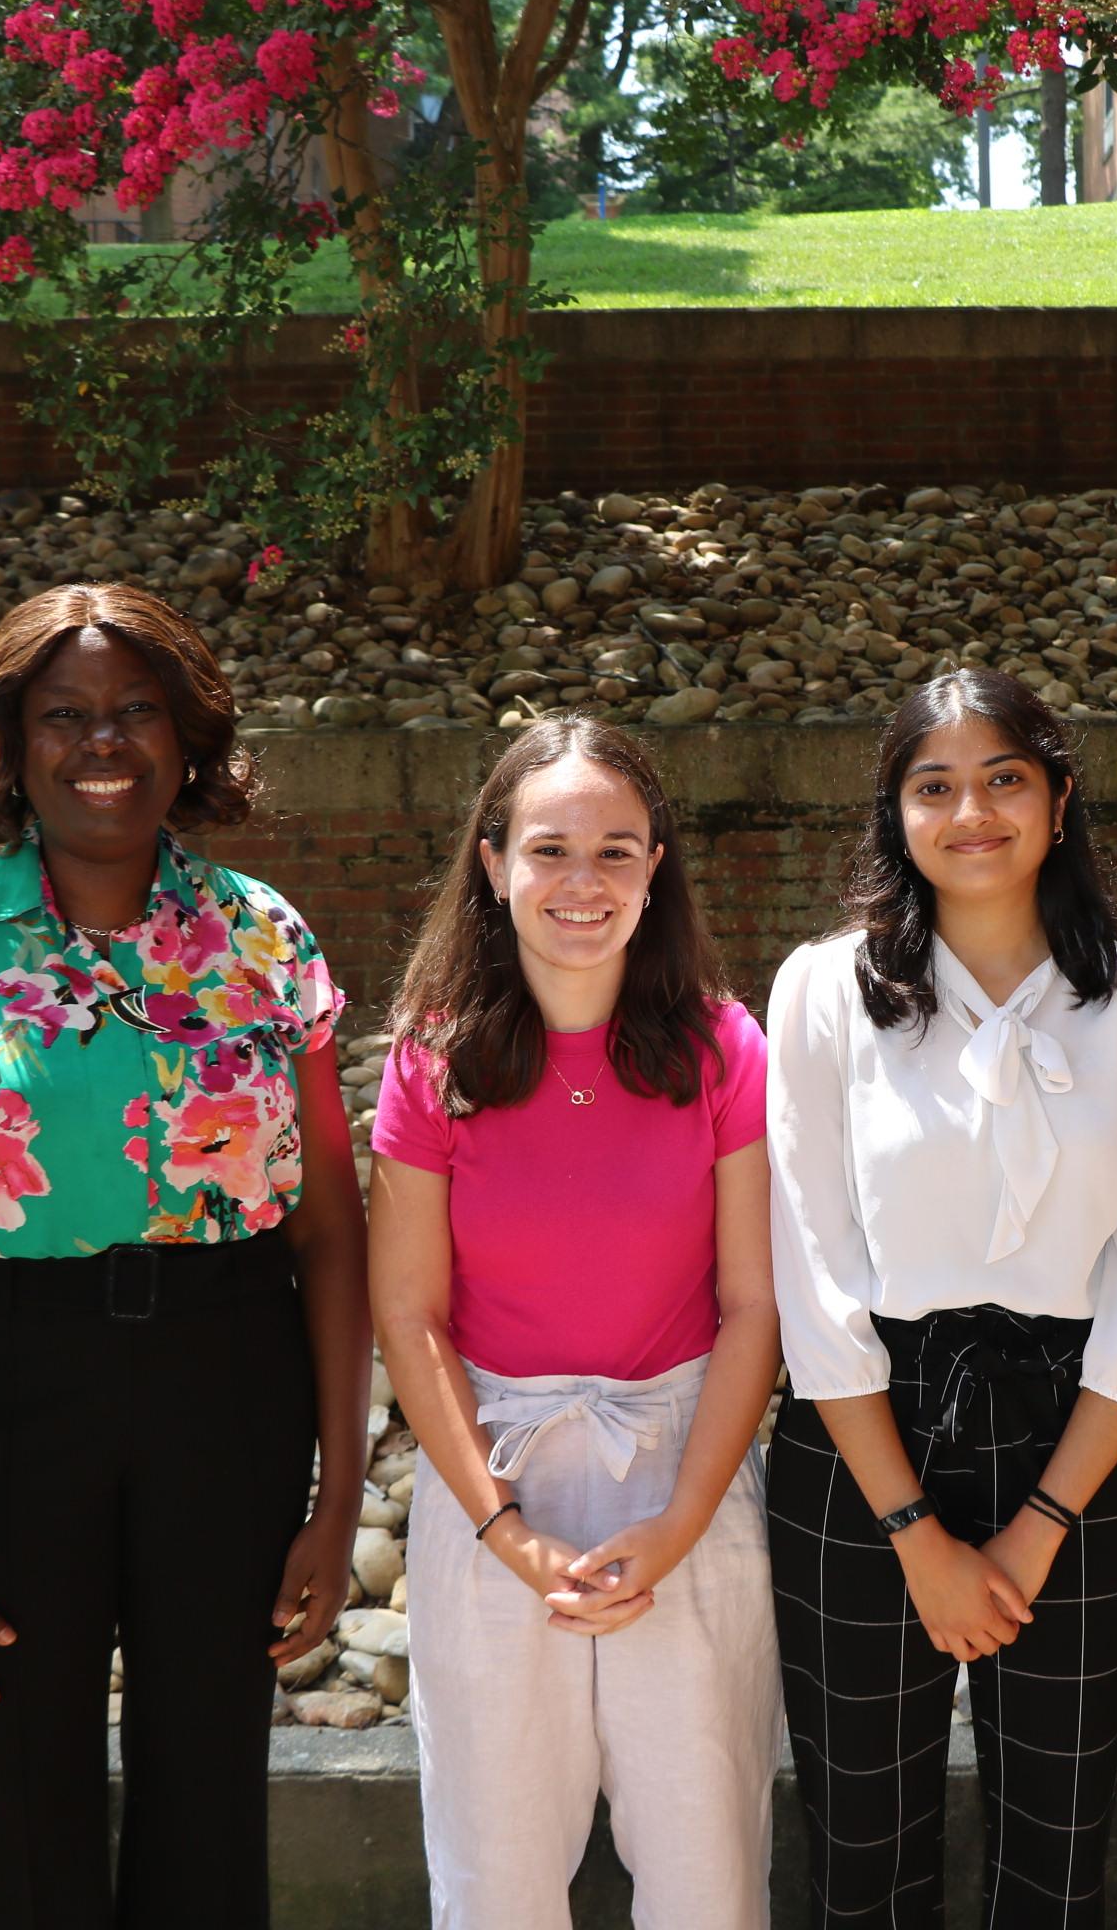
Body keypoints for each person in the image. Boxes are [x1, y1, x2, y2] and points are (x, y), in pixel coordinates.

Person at [0, 584, 371, 1930]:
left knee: (209, 1799)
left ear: (188, 741)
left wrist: (340, 1496)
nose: (101, 742)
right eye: (62, 715)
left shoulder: (263, 939)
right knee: (20, 1817)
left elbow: (334, 1233)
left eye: (136, 711)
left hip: (227, 1376)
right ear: (8, 745)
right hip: (2, 1382)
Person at [764, 667, 1117, 1927]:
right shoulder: (823, 992)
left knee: (1057, 1844)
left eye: (1005, 778)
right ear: (895, 813)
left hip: (1080, 1435)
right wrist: (915, 1530)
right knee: (863, 1836)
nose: (973, 811)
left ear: (1060, 800)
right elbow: (814, 1274)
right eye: (935, 786)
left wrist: (1035, 1527)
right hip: (860, 1442)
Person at [368, 716, 783, 1928]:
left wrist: (681, 1521)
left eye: (616, 849)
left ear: (658, 868)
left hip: (687, 1471)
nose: (582, 882)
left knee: (707, 1876)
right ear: (492, 864)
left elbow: (755, 1302)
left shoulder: (722, 1051)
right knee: (497, 1885)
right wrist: (506, 1531)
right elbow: (410, 1310)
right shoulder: (432, 1062)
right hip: (491, 1475)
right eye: (550, 849)